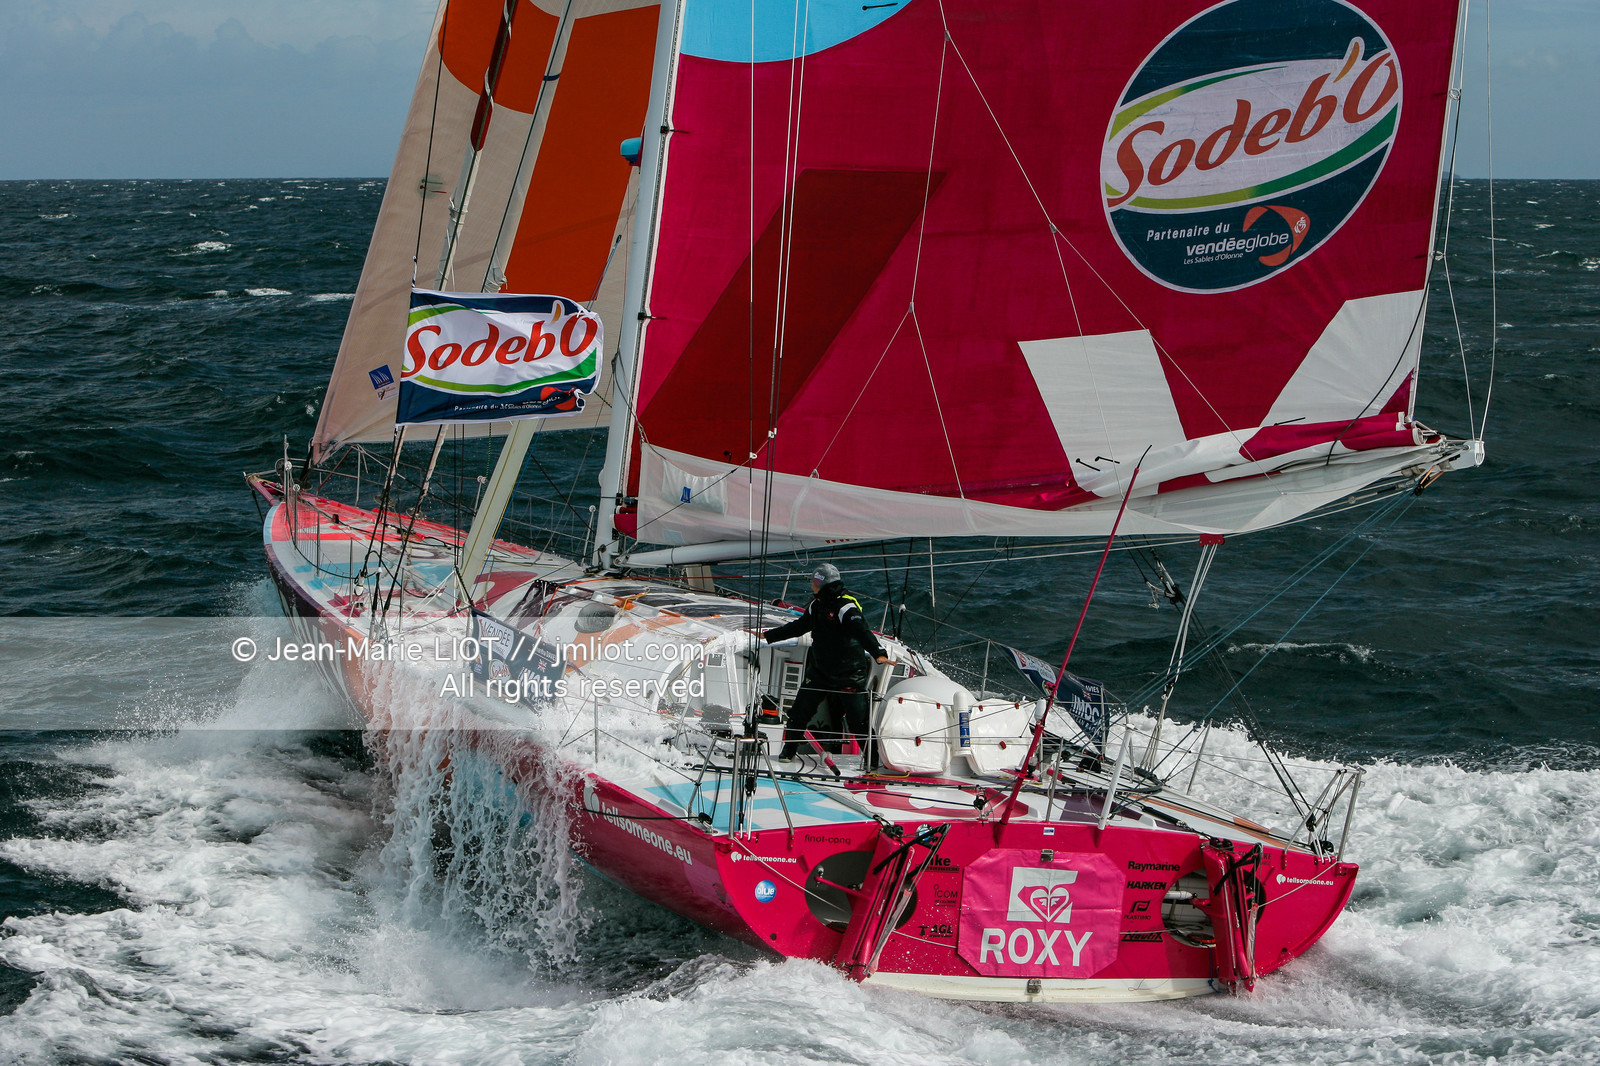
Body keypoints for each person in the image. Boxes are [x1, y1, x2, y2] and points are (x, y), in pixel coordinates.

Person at [763, 563, 890, 759]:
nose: (812, 586)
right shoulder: (817, 605)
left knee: (859, 723)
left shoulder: (846, 606)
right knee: (799, 713)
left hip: (849, 674)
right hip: (821, 672)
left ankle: (872, 762)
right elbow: (798, 627)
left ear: (823, 583)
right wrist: (767, 636)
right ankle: (788, 753)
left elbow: (862, 630)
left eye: (815, 582)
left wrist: (878, 653)